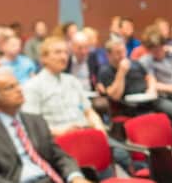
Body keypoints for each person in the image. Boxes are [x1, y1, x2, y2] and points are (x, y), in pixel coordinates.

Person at [22, 37, 134, 176]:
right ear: (44, 58)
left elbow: (89, 112)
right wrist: (61, 130)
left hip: (85, 133)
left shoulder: (72, 81)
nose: (63, 57)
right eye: (57, 52)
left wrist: (100, 130)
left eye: (65, 52)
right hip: (60, 140)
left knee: (123, 153)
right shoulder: (32, 86)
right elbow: (33, 128)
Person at [0, 68, 90, 183]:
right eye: (10, 87)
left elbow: (59, 155)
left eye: (17, 84)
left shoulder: (36, 120)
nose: (19, 89)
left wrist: (75, 176)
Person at [97, 38, 172, 126]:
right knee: (153, 120)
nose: (122, 55)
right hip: (130, 105)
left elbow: (149, 77)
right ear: (109, 55)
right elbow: (115, 96)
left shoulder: (135, 63)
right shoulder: (105, 71)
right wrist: (121, 73)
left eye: (123, 51)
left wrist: (151, 89)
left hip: (149, 98)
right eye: (118, 53)